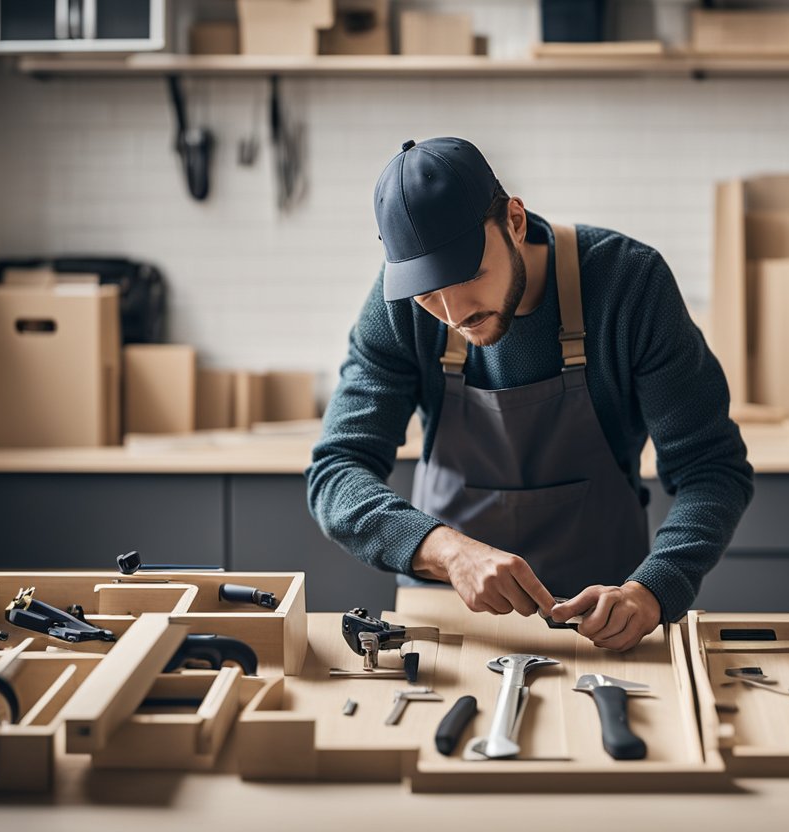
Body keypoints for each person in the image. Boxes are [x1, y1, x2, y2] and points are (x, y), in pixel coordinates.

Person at [308, 137, 753, 651]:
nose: (454, 314)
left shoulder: (628, 284)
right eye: (429, 292)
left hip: (604, 624)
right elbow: (336, 473)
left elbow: (713, 468)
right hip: (451, 629)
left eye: (470, 273)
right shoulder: (399, 309)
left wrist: (654, 588)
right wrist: (445, 550)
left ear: (514, 222)